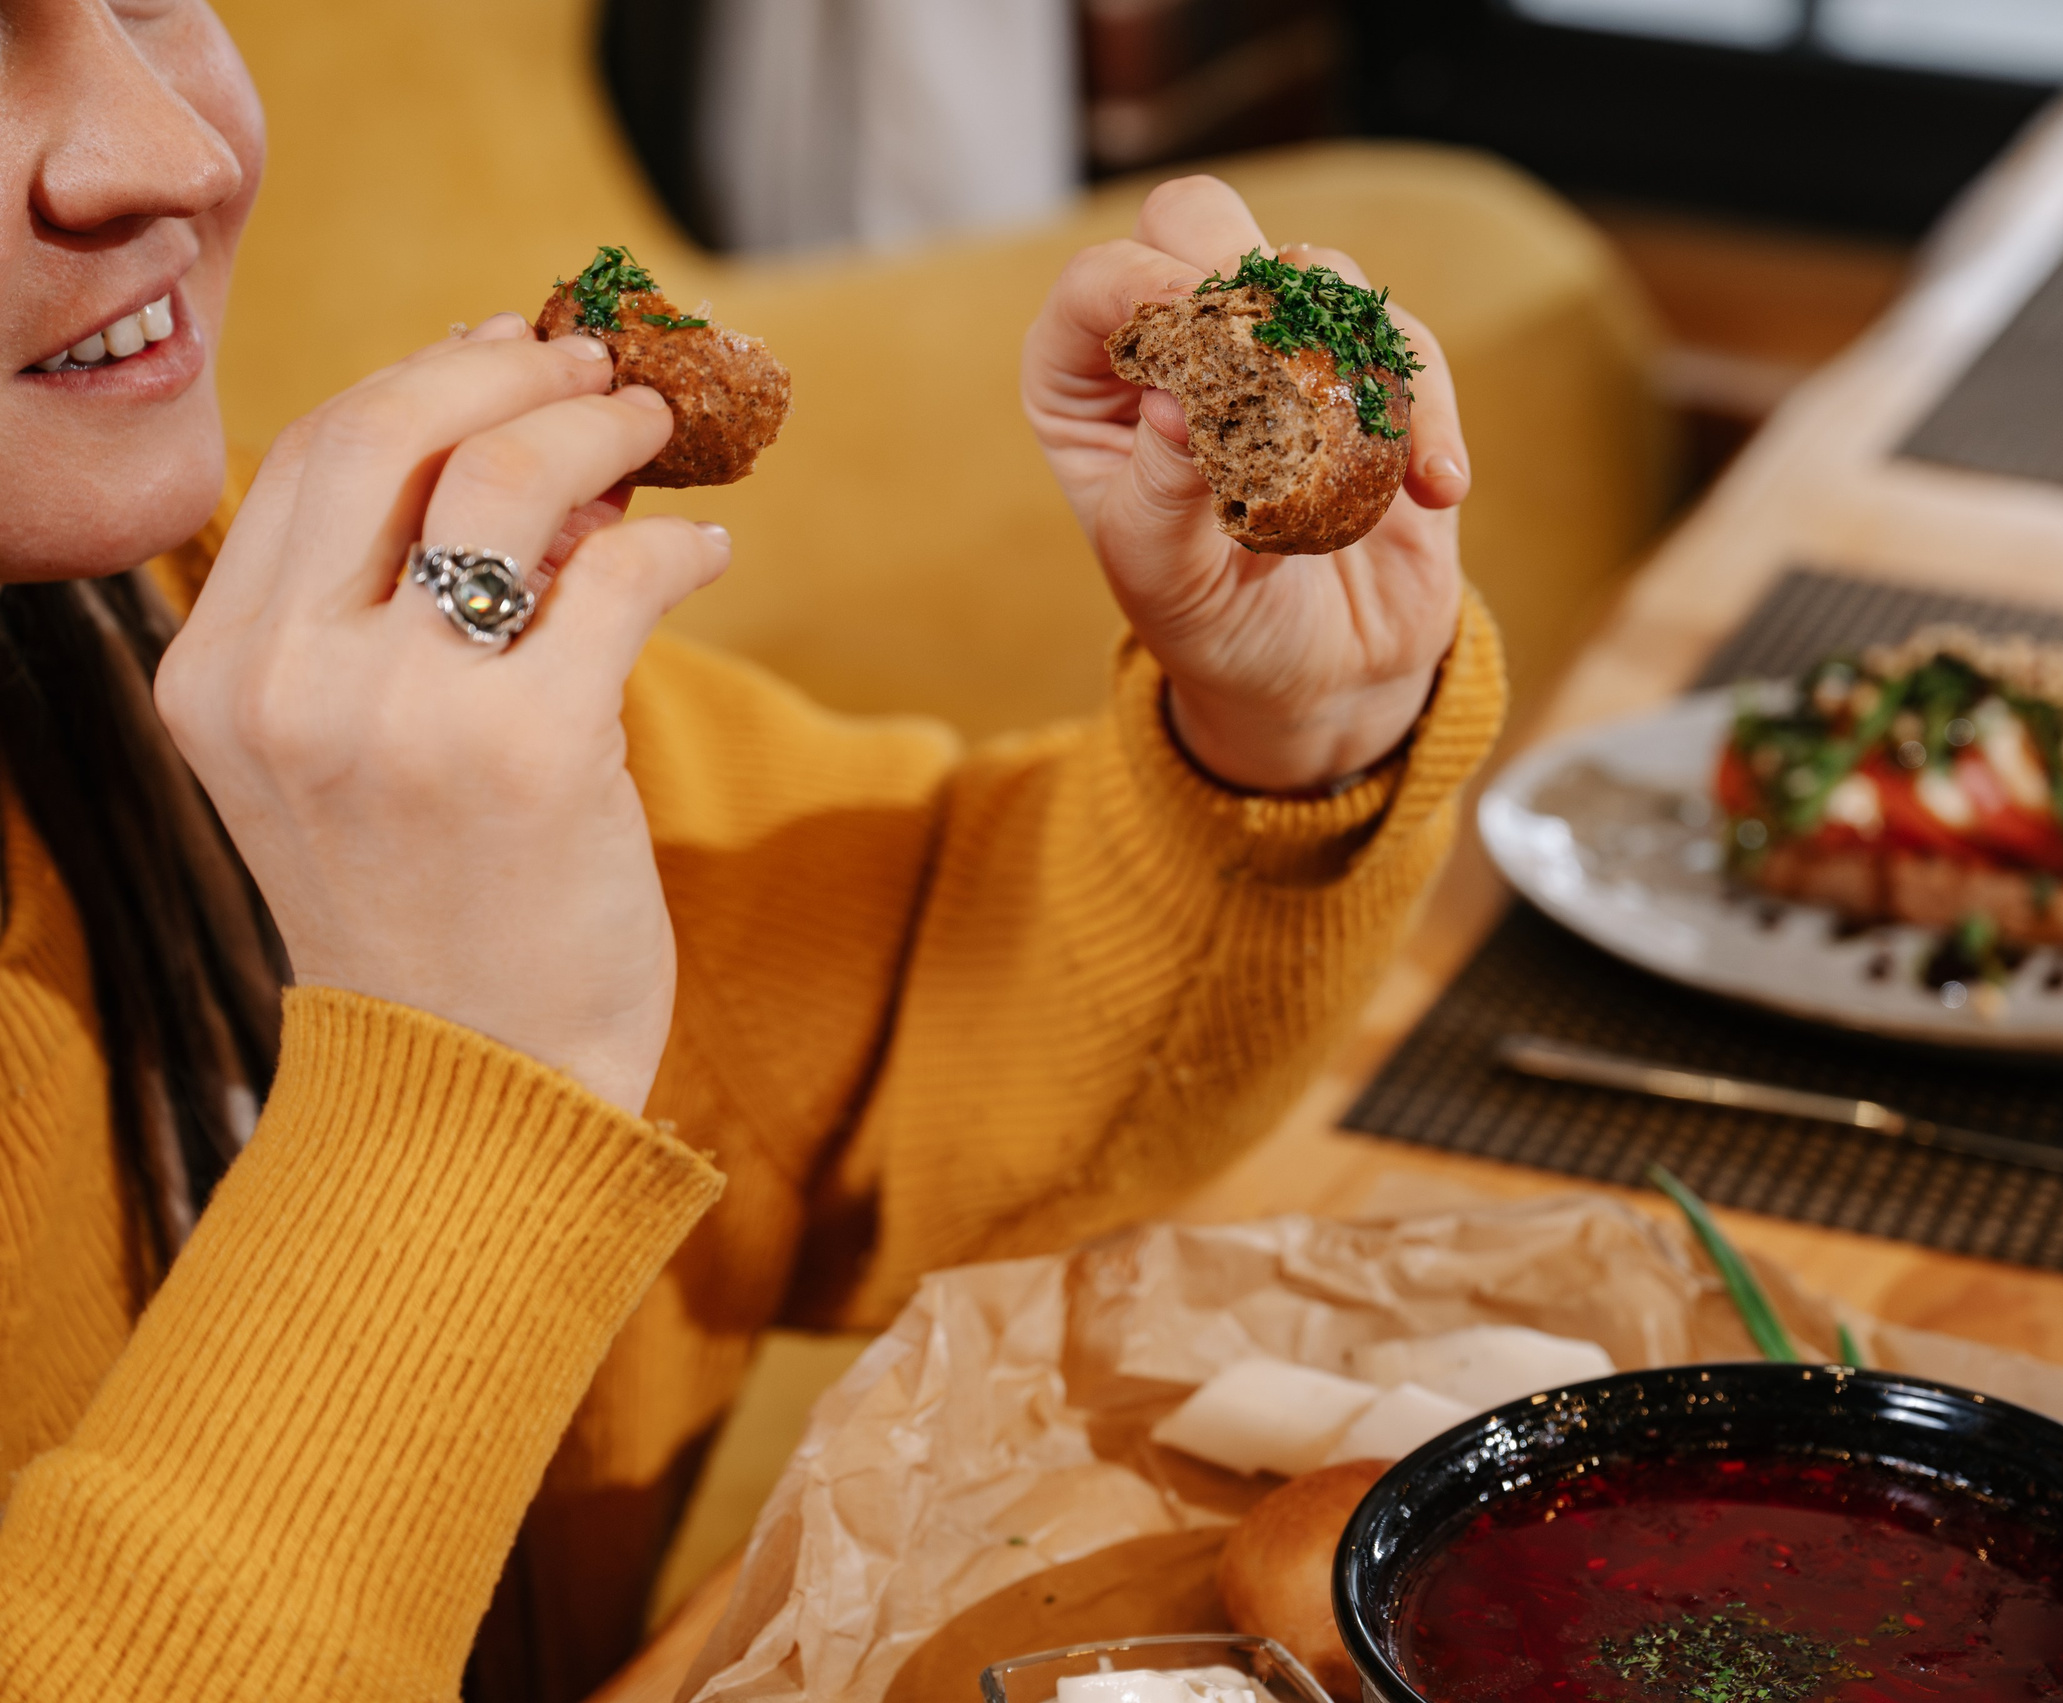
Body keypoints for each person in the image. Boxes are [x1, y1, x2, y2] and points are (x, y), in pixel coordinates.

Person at [0, 3, 1501, 1700]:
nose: (170, 151)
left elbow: (904, 1029)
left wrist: (1281, 732)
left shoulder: (215, 615)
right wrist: (454, 1090)